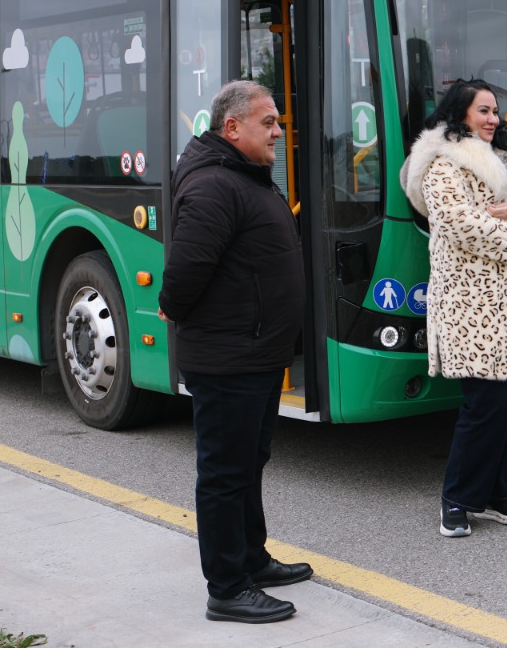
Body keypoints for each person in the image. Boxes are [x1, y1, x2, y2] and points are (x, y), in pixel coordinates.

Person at [159, 80, 312, 625]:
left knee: (250, 462)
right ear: (232, 128)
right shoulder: (214, 185)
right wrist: (173, 306)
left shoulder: (244, 176)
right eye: (268, 122)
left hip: (256, 352)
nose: (278, 130)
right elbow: (184, 273)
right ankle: (226, 587)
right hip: (229, 357)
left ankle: (251, 559)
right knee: (225, 473)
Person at [401, 79, 507, 539]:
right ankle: (456, 498)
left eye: (495, 112)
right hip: (472, 305)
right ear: (460, 114)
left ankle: (494, 491)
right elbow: (457, 223)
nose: (492, 119)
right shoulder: (441, 162)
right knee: (485, 405)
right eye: (482, 111)